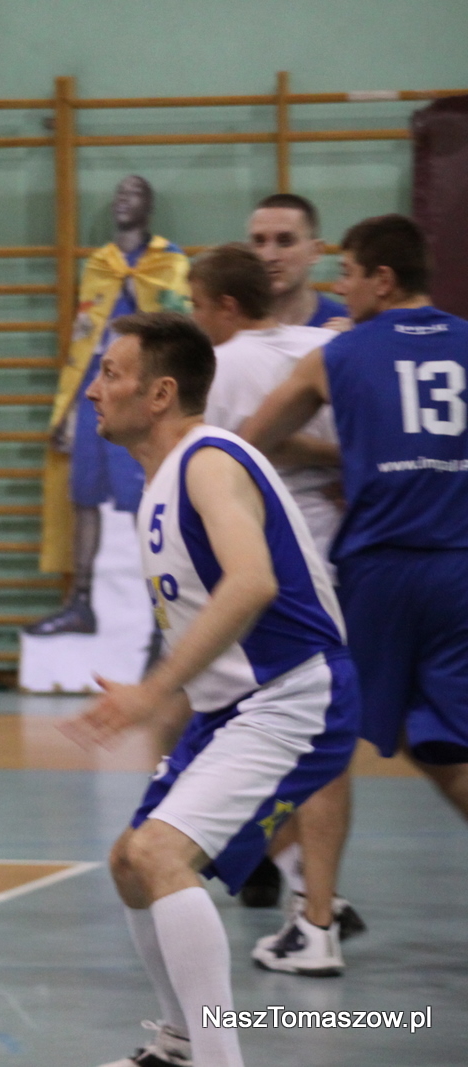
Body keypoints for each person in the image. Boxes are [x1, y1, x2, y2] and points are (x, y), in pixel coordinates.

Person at [64, 312, 359, 1067]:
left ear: (160, 393)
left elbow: (252, 581)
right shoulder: (163, 480)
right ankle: (181, 1046)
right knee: (131, 863)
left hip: (294, 696)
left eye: (112, 374)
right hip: (232, 711)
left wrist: (155, 690)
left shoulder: (209, 460)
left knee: (160, 852)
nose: (94, 390)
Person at [243, 213, 468, 957]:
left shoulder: (339, 354)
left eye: (348, 274)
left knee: (326, 733)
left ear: (383, 280)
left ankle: (316, 926)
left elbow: (250, 439)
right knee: (446, 746)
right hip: (459, 567)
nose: (341, 289)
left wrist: (343, 458)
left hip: (379, 569)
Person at [189, 245, 366, 963]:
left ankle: (301, 892)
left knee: (251, 728)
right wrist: (341, 468)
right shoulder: (327, 348)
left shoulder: (217, 367)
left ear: (226, 306)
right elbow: (369, 445)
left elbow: (207, 464)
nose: (196, 318)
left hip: (264, 574)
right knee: (321, 735)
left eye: (198, 305)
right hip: (339, 559)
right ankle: (309, 888)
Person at [33, 175, 191, 636]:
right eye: (119, 194)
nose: (123, 199)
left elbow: (177, 331)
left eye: (134, 193)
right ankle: (80, 603)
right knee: (83, 496)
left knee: (148, 502)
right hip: (95, 393)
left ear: (149, 206)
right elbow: (83, 338)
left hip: (140, 399)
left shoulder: (169, 262)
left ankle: (163, 617)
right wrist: (68, 410)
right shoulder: (99, 264)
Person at [247, 193, 352, 331]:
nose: (269, 256)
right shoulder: (229, 328)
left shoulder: (349, 327)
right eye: (259, 242)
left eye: (285, 242)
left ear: (315, 251)